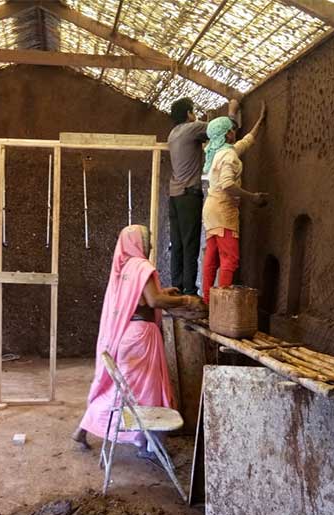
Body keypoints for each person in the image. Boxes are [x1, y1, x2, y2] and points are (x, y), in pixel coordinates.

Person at [73, 225, 203, 453]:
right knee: (144, 392)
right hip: (141, 337)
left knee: (121, 389)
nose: (150, 244)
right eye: (146, 240)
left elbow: (143, 297)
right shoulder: (142, 266)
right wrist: (185, 301)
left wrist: (165, 292)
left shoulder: (125, 267)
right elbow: (153, 301)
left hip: (127, 335)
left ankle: (86, 427)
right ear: (136, 243)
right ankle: (146, 445)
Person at [201, 103, 268, 304]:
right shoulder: (228, 155)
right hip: (223, 211)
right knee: (230, 258)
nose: (234, 132)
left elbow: (246, 142)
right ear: (226, 135)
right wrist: (252, 197)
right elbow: (228, 184)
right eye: (231, 130)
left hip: (211, 211)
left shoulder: (219, 152)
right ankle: (222, 305)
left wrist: (260, 122)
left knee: (211, 259)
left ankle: (207, 302)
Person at [167, 97, 208, 297]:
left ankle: (177, 288)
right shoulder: (192, 128)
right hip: (188, 195)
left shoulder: (173, 134)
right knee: (190, 243)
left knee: (178, 244)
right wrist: (233, 112)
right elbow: (219, 129)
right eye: (193, 111)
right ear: (188, 114)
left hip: (174, 196)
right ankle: (190, 292)